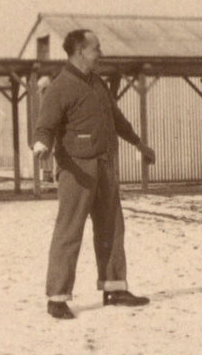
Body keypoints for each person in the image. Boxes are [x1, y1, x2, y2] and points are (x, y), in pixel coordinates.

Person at [32, 29, 156, 320]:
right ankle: (57, 297)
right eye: (96, 49)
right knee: (69, 230)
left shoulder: (98, 83)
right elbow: (45, 126)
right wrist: (41, 146)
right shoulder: (60, 87)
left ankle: (114, 288)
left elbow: (116, 119)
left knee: (112, 226)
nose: (100, 53)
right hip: (77, 169)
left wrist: (139, 143)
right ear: (79, 52)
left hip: (104, 165)